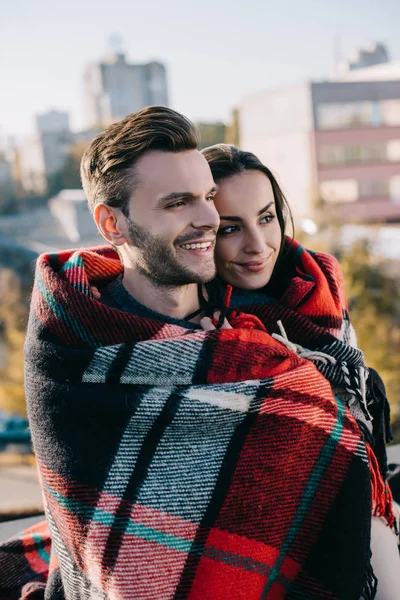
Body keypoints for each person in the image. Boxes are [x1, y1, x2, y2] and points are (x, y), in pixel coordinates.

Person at [0, 109, 389, 600]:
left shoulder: (262, 322)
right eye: (178, 202)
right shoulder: (72, 338)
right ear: (112, 224)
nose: (207, 217)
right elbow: (93, 527)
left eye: (207, 197)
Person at [200, 143, 400, 599]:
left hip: (360, 485)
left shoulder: (317, 285)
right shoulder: (204, 325)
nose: (257, 244)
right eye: (231, 228)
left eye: (266, 218)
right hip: (267, 519)